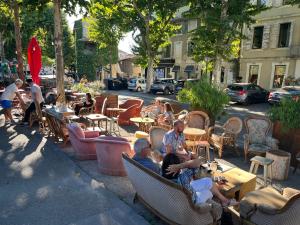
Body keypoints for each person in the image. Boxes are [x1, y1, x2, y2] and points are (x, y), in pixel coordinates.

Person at [162, 153, 238, 207]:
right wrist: (181, 165)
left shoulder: (162, 175)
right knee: (208, 190)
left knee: (208, 181)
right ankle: (225, 201)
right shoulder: (183, 177)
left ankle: (224, 200)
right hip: (192, 201)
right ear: (176, 168)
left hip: (183, 193)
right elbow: (199, 162)